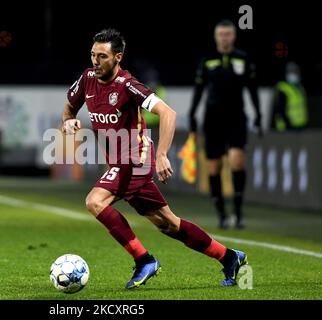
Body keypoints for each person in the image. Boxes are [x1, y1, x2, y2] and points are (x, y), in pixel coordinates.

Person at [61, 28, 247, 289]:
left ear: (118, 57)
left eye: (102, 56)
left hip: (136, 159)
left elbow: (168, 113)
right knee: (168, 224)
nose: (95, 61)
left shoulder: (128, 86)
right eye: (93, 55)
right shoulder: (87, 79)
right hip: (119, 163)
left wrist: (162, 155)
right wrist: (68, 122)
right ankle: (229, 258)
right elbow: (69, 107)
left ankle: (144, 260)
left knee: (95, 201)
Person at [189, 20, 262, 230]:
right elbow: (199, 90)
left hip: (236, 117)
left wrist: (258, 113)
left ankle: (238, 214)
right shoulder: (207, 60)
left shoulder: (243, 58)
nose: (225, 38)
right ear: (215, 37)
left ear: (234, 36)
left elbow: (252, 88)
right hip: (212, 119)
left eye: (228, 34)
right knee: (214, 167)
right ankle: (222, 214)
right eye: (221, 34)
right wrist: (193, 115)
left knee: (237, 161)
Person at [270, 62, 309, 131]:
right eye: (291, 72)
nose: (293, 74)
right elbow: (280, 109)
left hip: (300, 125)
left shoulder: (300, 87)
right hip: (286, 127)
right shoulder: (283, 88)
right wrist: (288, 124)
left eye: (294, 71)